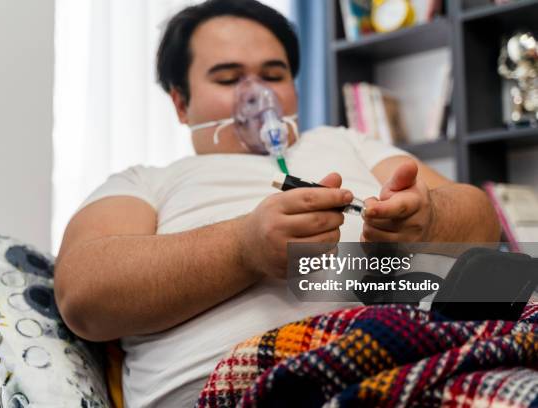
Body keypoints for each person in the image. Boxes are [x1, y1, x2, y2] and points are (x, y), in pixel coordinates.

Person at [54, 0, 500, 406]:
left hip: (423, 351)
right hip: (261, 382)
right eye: (228, 79)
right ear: (181, 104)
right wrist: (242, 248)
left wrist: (427, 220)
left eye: (273, 75)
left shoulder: (343, 141)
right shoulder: (146, 183)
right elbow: (83, 294)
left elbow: (483, 224)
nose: (257, 95)